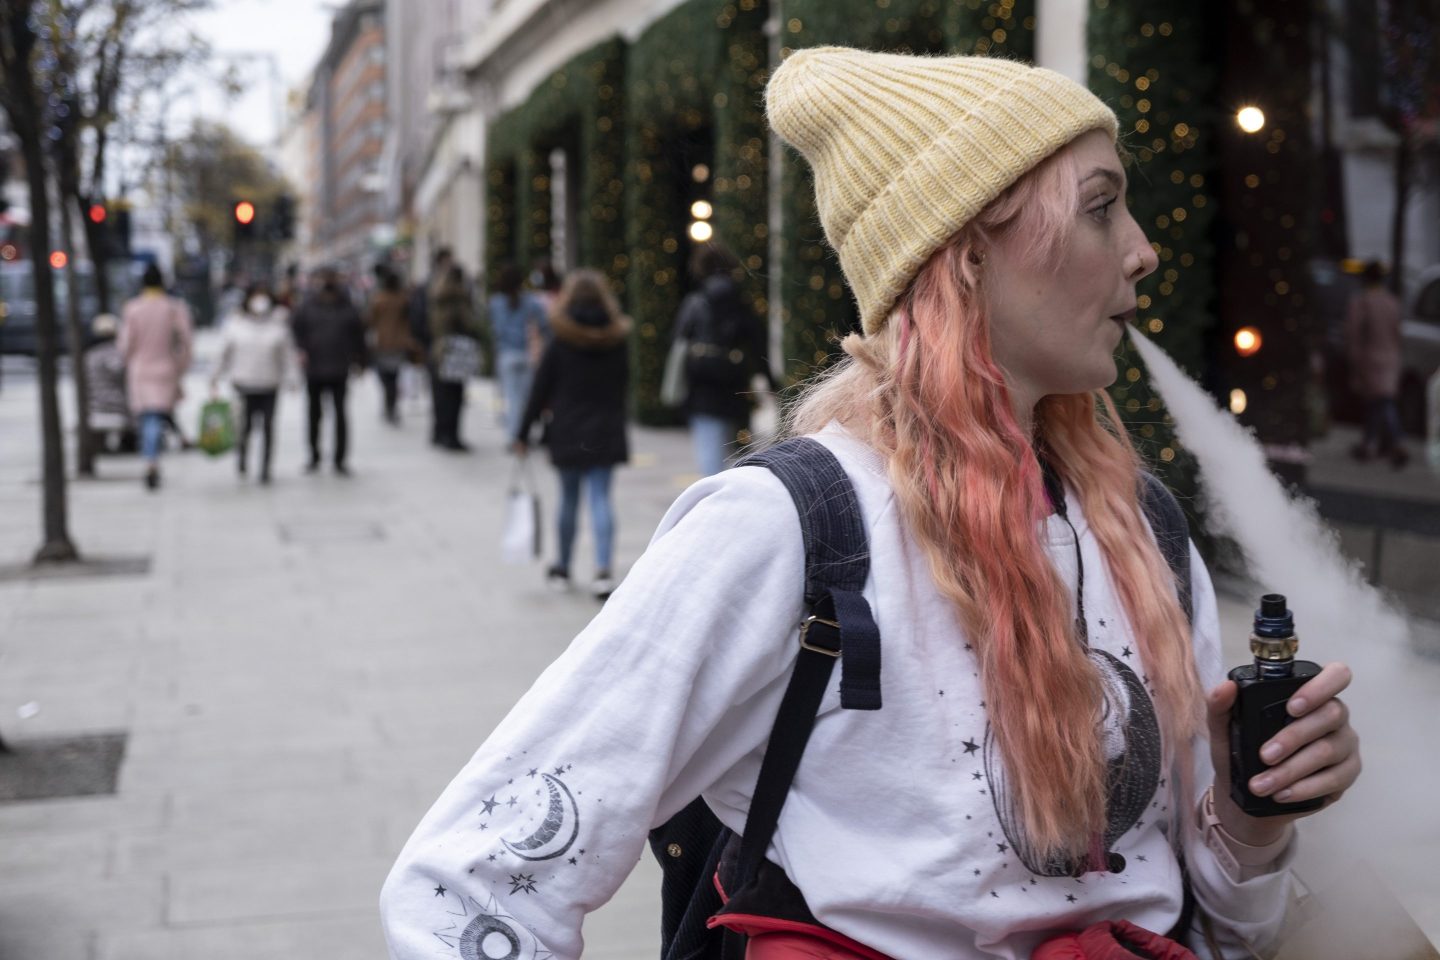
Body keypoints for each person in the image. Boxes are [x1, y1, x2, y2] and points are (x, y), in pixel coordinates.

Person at [380, 49, 1361, 960]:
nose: (1144, 251)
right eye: (1100, 207)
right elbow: (467, 882)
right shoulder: (789, 526)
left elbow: (1229, 928)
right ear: (967, 252)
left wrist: (1251, 813)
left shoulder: (1142, 526)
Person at [511, 268, 629, 598]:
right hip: (605, 426)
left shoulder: (559, 340)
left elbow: (539, 390)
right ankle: (603, 571)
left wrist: (522, 433)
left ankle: (562, 567)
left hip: (567, 427)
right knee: (602, 499)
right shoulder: (616, 338)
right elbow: (623, 385)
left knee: (568, 499)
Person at [672, 239, 780, 475]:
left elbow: (678, 342)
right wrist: (771, 384)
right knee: (737, 457)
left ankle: (713, 503)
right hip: (735, 388)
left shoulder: (696, 302)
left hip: (701, 389)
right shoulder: (742, 303)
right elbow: (758, 346)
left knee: (709, 461)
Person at [210, 283, 296, 484]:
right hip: (243, 383)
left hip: (270, 383)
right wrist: (214, 376)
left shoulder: (278, 324)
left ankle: (265, 468)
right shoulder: (235, 323)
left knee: (267, 427)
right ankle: (243, 459)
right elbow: (224, 352)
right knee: (244, 427)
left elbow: (288, 355)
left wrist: (293, 378)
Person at [119, 264, 193, 491]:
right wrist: (180, 366)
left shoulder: (133, 309)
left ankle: (150, 461)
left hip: (140, 370)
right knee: (155, 417)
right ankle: (152, 459)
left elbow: (125, 345)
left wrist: (128, 361)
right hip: (165, 369)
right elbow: (186, 341)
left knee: (148, 417)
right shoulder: (174, 308)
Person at [291, 267, 368, 475]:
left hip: (339, 368)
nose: (327, 282)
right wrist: (300, 354)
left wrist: (361, 362)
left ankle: (340, 459)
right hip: (314, 369)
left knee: (340, 414)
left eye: (331, 278)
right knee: (314, 415)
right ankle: (314, 456)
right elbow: (296, 332)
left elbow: (359, 335)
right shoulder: (307, 306)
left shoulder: (348, 306)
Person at [1345, 260, 1409, 468]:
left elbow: (1354, 334)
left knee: (1381, 402)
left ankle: (1395, 442)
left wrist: (1354, 361)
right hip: (1391, 358)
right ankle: (1370, 443)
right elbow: (1399, 333)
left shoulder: (1362, 302)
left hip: (1370, 358)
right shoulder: (1392, 302)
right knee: (1379, 402)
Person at [488, 261, 550, 441]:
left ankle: (514, 435)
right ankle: (521, 433)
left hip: (507, 354)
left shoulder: (496, 303)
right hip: (526, 354)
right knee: (524, 399)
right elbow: (545, 325)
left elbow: (496, 331)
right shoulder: (530, 301)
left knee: (512, 398)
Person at [429, 263, 480, 451]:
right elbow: (469, 323)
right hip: (457, 351)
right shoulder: (459, 298)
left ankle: (439, 433)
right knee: (455, 396)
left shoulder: (436, 296)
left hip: (438, 348)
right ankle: (452, 436)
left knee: (440, 395)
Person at [409, 247, 453, 445]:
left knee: (449, 389)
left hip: (446, 345)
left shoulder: (453, 285)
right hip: (436, 344)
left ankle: (446, 431)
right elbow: (417, 317)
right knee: (441, 389)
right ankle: (441, 431)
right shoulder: (428, 287)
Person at [367, 267, 421, 425]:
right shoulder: (403, 300)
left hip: (382, 343)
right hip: (399, 343)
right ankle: (391, 405)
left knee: (385, 376)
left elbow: (370, 320)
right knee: (394, 375)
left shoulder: (378, 299)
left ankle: (389, 403)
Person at [83, 313, 136, 453]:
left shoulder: (89, 355)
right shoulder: (116, 354)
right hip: (117, 405)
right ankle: (129, 443)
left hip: (93, 405)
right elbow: (122, 374)